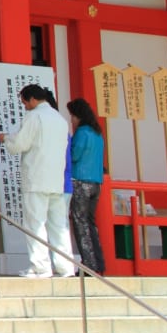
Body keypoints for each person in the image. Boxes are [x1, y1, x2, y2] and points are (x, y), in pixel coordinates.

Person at [0, 83, 73, 278]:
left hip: (36, 178)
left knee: (36, 223)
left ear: (32, 100)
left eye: (24, 102)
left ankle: (40, 267)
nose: (24, 107)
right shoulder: (60, 119)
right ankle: (65, 267)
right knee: (59, 226)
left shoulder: (34, 116)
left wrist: (6, 138)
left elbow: (20, 143)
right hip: (56, 180)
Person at [66, 97, 106, 274]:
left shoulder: (81, 133)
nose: (71, 120)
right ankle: (98, 263)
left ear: (78, 116)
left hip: (81, 181)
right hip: (96, 183)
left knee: (80, 224)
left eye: (72, 116)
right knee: (90, 224)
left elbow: (74, 156)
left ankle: (89, 265)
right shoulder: (97, 133)